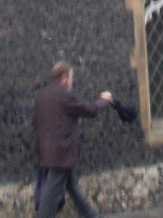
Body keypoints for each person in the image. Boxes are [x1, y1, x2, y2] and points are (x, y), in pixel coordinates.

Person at [32, 61, 113, 218]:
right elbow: (90, 110)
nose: (72, 81)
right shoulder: (64, 95)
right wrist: (105, 100)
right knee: (50, 195)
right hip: (61, 154)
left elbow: (36, 124)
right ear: (64, 77)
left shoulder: (41, 95)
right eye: (71, 77)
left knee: (72, 187)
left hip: (47, 152)